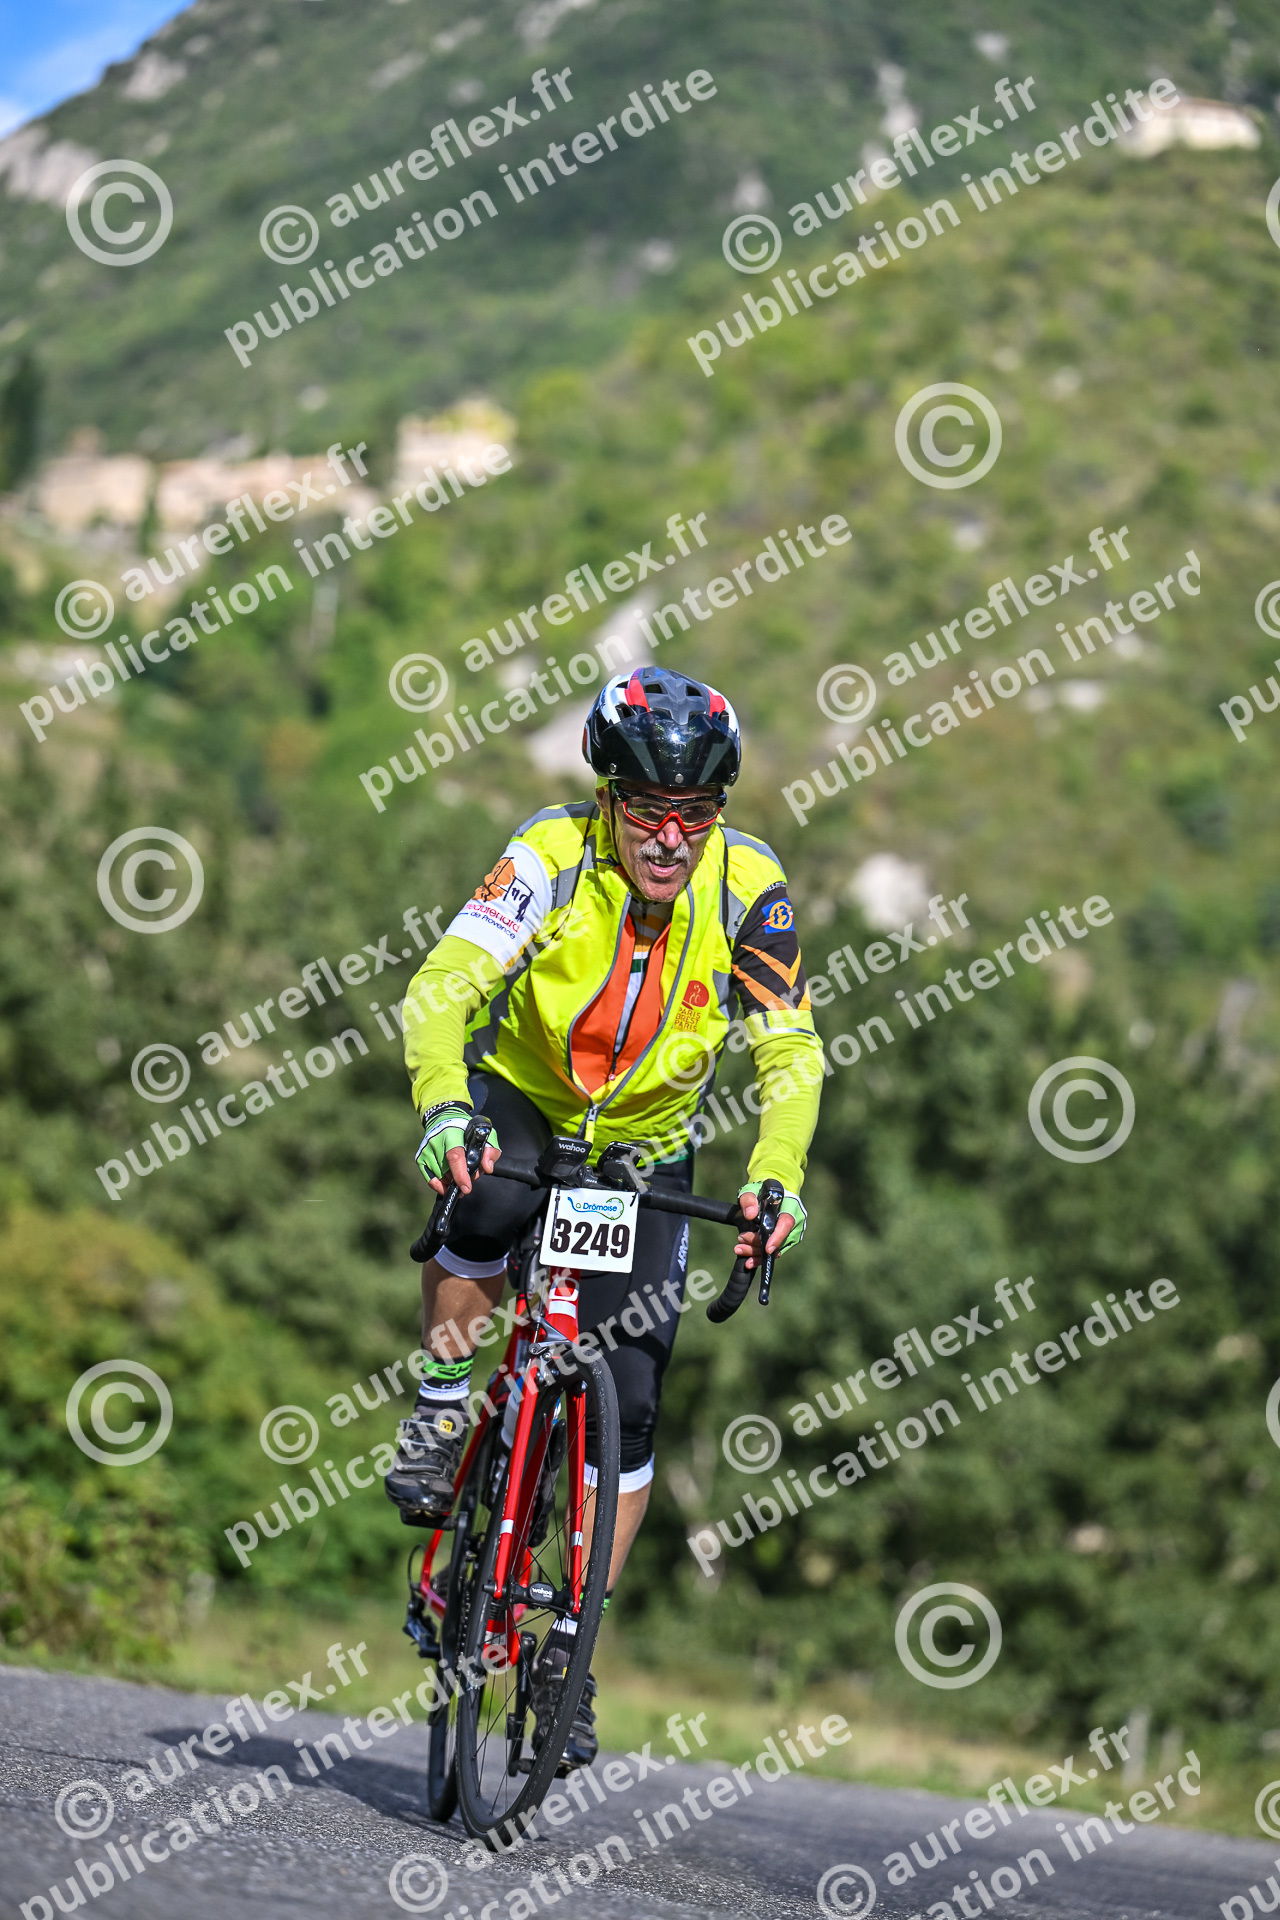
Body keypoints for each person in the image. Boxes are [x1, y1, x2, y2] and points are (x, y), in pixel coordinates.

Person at [383, 665, 823, 1766]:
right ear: (608, 798)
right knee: (484, 1197)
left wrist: (775, 1175)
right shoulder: (549, 854)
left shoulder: (750, 887)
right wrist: (442, 1106)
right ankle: (441, 1410)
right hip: (525, 1099)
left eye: (695, 814)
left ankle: (572, 1649)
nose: (670, 838)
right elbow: (442, 986)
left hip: (645, 1143)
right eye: (648, 810)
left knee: (630, 1396)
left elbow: (789, 1050)